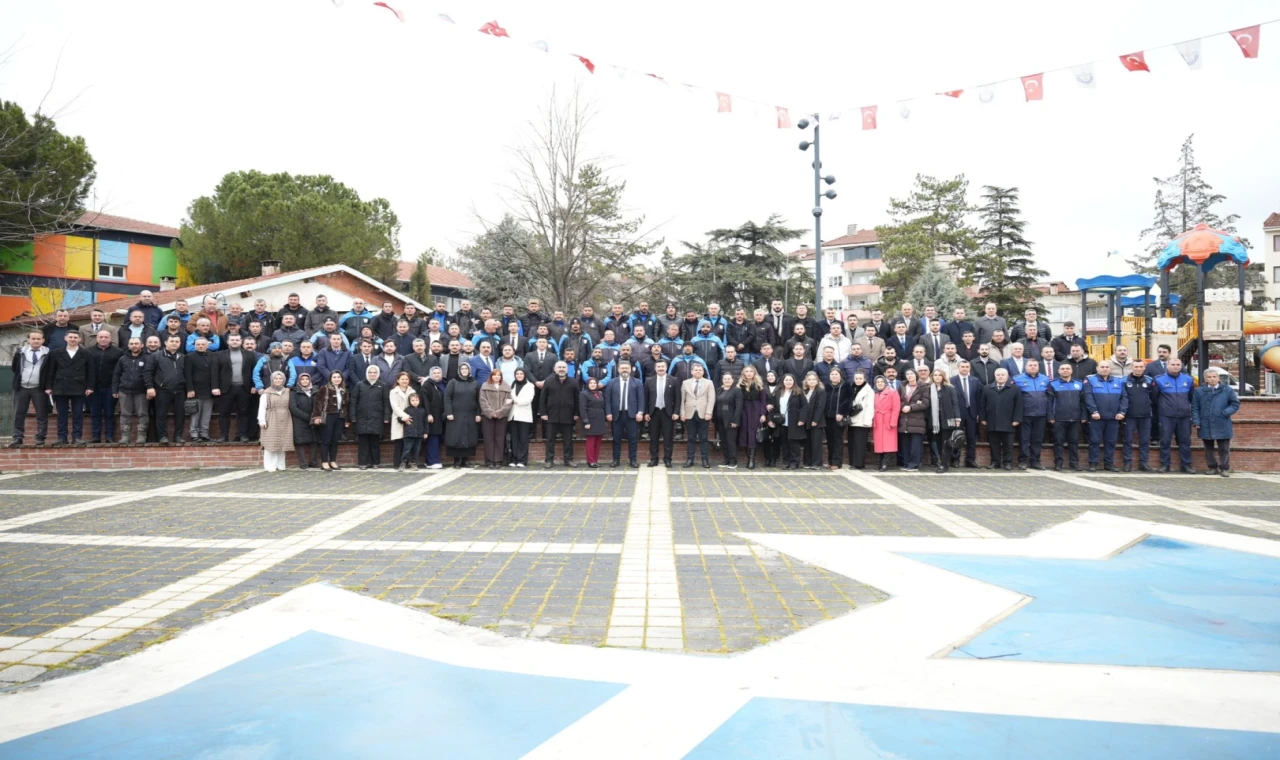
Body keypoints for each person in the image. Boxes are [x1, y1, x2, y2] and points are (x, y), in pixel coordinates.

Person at [1192, 367, 1240, 477]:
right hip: (1205, 422)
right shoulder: (1199, 391)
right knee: (1208, 447)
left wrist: (1226, 412)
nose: (1212, 379)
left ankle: (1224, 468)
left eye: (1214, 377)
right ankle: (1212, 467)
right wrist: (1196, 421)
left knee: (1224, 448)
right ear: (1205, 379)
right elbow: (1195, 407)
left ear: (1218, 378)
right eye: (1209, 377)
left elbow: (1235, 404)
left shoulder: (1227, 390)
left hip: (1222, 422)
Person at [1153, 357, 1196, 474]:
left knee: (1185, 441)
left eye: (1178, 364)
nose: (1175, 366)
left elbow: (1192, 397)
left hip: (1184, 416)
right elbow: (1154, 398)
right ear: (1168, 365)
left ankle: (1186, 465)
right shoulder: (1159, 380)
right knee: (1165, 441)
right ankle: (1165, 465)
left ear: (1181, 366)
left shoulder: (1189, 379)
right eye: (1173, 364)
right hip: (1166, 415)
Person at [212, 334, 257, 443]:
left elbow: (254, 372)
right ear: (228, 341)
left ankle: (243, 435)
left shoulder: (250, 355)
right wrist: (215, 387)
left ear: (241, 341)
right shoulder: (219, 355)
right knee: (224, 413)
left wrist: (254, 385)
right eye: (232, 340)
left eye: (237, 340)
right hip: (226, 388)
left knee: (243, 412)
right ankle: (224, 436)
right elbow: (214, 372)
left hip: (244, 388)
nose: (235, 342)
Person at [1083, 361, 1125, 472]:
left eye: (1107, 367)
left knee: (1111, 442)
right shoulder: (1090, 380)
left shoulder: (1118, 381)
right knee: (1094, 441)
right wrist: (1094, 411)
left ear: (1110, 369)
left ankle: (1109, 464)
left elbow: (1124, 398)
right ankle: (1093, 464)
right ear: (1097, 368)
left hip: (1113, 418)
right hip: (1097, 417)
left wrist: (1122, 412)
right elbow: (1088, 397)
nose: (1105, 369)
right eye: (1102, 367)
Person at [83, 330, 122, 444]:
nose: (103, 339)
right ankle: (96, 436)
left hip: (110, 387)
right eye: (101, 337)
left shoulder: (118, 352)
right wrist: (87, 386)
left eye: (106, 337)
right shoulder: (89, 351)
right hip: (93, 388)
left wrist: (116, 387)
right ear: (97, 338)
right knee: (95, 413)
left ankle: (109, 436)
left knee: (109, 413)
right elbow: (86, 370)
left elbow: (120, 371)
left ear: (110, 338)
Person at [146, 334, 185, 443]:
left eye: (177, 341)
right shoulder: (156, 356)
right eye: (172, 341)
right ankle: (162, 437)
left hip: (180, 390)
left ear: (180, 344)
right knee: (161, 414)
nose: (174, 343)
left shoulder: (182, 357)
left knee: (180, 414)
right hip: (162, 390)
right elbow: (148, 372)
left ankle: (178, 436)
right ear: (166, 343)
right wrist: (150, 387)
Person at [1047, 363, 1086, 471]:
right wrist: (1050, 416)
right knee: (1058, 442)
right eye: (1062, 369)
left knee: (1074, 442)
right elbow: (1049, 402)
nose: (1065, 370)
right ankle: (1058, 463)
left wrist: (1083, 416)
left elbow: (1083, 402)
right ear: (1058, 371)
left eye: (1067, 368)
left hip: (1076, 418)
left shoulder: (1079, 384)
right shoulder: (1053, 384)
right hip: (1058, 419)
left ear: (1071, 370)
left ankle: (1074, 463)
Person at [982, 368, 1023, 470]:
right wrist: (983, 418)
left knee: (1008, 444)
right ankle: (995, 462)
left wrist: (1016, 419)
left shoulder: (1015, 389)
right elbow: (982, 405)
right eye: (998, 375)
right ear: (995, 376)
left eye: (1003, 375)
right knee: (994, 444)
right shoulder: (987, 388)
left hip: (1009, 422)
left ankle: (1007, 462)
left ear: (1007, 376)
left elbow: (1019, 405)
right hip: (993, 421)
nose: (1000, 376)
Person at [1011, 358, 1049, 469]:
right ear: (1026, 367)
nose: (1033, 367)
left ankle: (1035, 461)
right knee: (1024, 439)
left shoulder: (1046, 379)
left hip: (1041, 414)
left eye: (1035, 365)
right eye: (1030, 365)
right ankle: (1023, 461)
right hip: (1025, 415)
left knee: (1037, 439)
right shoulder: (1017, 379)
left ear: (1038, 367)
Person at [540, 361, 579, 467]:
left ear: (567, 369)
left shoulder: (573, 382)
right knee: (550, 439)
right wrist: (543, 413)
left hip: (568, 415)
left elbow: (577, 399)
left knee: (568, 440)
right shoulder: (548, 381)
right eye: (559, 367)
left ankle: (568, 460)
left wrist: (576, 413)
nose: (561, 369)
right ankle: (549, 460)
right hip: (551, 415)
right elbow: (543, 398)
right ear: (554, 369)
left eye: (563, 367)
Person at [606, 360, 645, 468]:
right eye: (622, 368)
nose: (624, 370)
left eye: (626, 368)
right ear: (618, 370)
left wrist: (640, 412)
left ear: (630, 370)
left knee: (633, 439)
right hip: (616, 415)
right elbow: (608, 400)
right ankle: (616, 459)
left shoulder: (637, 382)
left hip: (632, 415)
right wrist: (608, 413)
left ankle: (633, 460)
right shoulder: (612, 382)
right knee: (616, 439)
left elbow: (641, 399)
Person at [443, 361, 480, 468]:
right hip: (455, 414)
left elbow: (479, 400)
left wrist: (478, 414)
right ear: (459, 370)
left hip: (471, 415)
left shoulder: (475, 383)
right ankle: (456, 461)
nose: (464, 371)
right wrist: (449, 412)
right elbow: (447, 398)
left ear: (469, 370)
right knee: (456, 437)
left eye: (466, 369)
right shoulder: (453, 382)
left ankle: (465, 460)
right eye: (462, 369)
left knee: (468, 436)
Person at [351, 365, 390, 469]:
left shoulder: (383, 385)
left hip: (377, 417)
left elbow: (386, 402)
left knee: (375, 442)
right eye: (370, 372)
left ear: (378, 374)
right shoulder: (359, 385)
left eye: (374, 372)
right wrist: (353, 417)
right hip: (362, 417)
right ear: (367, 373)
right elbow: (353, 401)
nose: (372, 374)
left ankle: (375, 462)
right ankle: (363, 463)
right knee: (363, 442)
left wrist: (386, 417)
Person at [112, 337, 149, 445]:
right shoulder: (123, 359)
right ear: (128, 345)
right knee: (125, 414)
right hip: (124, 390)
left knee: (142, 414)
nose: (134, 345)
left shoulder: (147, 358)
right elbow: (116, 375)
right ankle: (125, 437)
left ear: (142, 345)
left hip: (141, 391)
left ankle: (141, 436)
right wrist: (115, 389)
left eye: (136, 343)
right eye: (131, 343)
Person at [1121, 361, 1156, 472]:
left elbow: (1154, 397)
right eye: (1136, 367)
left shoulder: (1150, 381)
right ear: (1132, 367)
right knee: (1128, 440)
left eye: (1141, 367)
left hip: (1145, 416)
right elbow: (1121, 397)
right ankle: (1127, 463)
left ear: (1144, 368)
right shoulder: (1124, 381)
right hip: (1129, 416)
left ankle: (1143, 463)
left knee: (1145, 440)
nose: (1138, 369)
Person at [645, 359, 680, 467]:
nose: (660, 369)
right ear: (655, 368)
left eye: (662, 367)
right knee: (653, 437)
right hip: (653, 412)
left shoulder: (674, 380)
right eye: (658, 367)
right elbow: (645, 398)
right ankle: (654, 459)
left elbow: (678, 398)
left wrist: (676, 412)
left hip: (668, 413)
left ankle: (668, 459)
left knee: (668, 437)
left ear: (666, 368)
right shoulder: (649, 380)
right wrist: (646, 412)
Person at [256, 371, 293, 471]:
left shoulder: (287, 391)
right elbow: (262, 408)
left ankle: (280, 465)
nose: (278, 380)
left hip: (285, 418)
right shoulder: (267, 393)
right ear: (272, 380)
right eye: (276, 378)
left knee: (282, 443)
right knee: (271, 443)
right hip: (271, 417)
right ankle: (270, 466)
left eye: (280, 378)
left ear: (284, 380)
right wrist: (262, 420)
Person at [925, 369, 960, 473]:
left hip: (947, 419)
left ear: (943, 376)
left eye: (939, 375)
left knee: (946, 442)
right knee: (938, 442)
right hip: (934, 420)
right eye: (935, 375)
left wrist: (957, 418)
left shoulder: (950, 388)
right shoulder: (929, 388)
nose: (937, 377)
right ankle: (943, 463)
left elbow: (955, 404)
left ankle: (944, 464)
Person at [681, 361, 715, 468]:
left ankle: (705, 460)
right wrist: (682, 413)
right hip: (689, 414)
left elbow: (711, 399)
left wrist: (709, 412)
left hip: (704, 414)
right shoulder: (685, 383)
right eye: (696, 370)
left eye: (700, 370)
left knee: (704, 438)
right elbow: (682, 400)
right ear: (692, 372)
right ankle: (690, 460)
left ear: (703, 372)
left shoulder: (709, 383)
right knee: (691, 438)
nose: (698, 371)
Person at [314, 371, 349, 470]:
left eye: (339, 377)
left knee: (335, 440)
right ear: (330, 379)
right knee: (326, 440)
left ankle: (333, 461)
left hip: (340, 417)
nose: (337, 379)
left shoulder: (344, 390)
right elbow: (318, 403)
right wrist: (317, 417)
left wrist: (346, 419)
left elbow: (346, 406)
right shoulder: (324, 389)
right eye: (334, 377)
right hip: (328, 416)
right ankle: (324, 462)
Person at [184, 336, 216, 442]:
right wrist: (190, 389)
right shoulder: (189, 357)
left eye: (203, 344)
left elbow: (215, 373)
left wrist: (215, 387)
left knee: (206, 414)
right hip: (196, 390)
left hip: (209, 389)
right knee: (195, 413)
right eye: (198, 344)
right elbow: (187, 374)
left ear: (207, 345)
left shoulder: (213, 356)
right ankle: (194, 434)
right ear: (194, 346)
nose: (201, 346)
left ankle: (204, 434)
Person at [479, 368, 513, 469]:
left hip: (501, 417)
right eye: (494, 375)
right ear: (491, 376)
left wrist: (500, 413)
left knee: (500, 438)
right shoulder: (484, 386)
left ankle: (498, 460)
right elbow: (482, 401)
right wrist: (490, 412)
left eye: (499, 375)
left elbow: (509, 402)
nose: (496, 377)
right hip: (487, 416)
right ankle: (489, 461)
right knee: (488, 439)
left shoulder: (507, 387)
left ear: (501, 377)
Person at [952, 361, 982, 468]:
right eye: (962, 367)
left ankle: (970, 459)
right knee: (956, 437)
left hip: (972, 413)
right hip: (958, 414)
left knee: (971, 437)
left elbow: (979, 398)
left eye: (967, 367)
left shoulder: (975, 381)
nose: (965, 369)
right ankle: (955, 459)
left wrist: (978, 413)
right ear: (958, 367)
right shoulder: (952, 380)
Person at [898, 369, 929, 472]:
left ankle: (914, 464)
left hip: (917, 420)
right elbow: (898, 400)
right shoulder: (902, 386)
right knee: (905, 444)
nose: (909, 375)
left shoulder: (923, 387)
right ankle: (907, 463)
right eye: (907, 374)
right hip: (904, 419)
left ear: (916, 375)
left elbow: (925, 403)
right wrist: (903, 406)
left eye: (911, 373)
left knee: (916, 445)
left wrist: (911, 407)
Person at [774, 373, 805, 470]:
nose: (788, 382)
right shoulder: (778, 392)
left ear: (794, 381)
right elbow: (773, 405)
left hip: (794, 421)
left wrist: (801, 419)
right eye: (786, 380)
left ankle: (794, 463)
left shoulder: (798, 392)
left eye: (790, 380)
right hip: (782, 422)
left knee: (794, 443)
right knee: (784, 443)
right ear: (783, 381)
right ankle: (786, 462)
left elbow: (804, 406)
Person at [289, 372, 320, 469]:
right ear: (299, 381)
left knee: (315, 440)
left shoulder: (315, 390)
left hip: (314, 419)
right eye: (302, 379)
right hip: (299, 420)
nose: (305, 381)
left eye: (307, 379)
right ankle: (302, 463)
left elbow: (319, 404)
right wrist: (308, 417)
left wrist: (315, 416)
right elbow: (293, 408)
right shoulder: (294, 392)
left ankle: (313, 462)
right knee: (300, 441)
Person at [389, 371, 419, 469]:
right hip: (399, 417)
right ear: (398, 380)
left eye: (406, 379)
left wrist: (408, 417)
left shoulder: (412, 391)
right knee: (399, 441)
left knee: (409, 442)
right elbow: (395, 406)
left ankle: (408, 462)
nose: (404, 381)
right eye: (402, 379)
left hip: (410, 419)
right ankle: (398, 463)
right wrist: (404, 416)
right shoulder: (393, 392)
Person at [714, 372, 744, 468]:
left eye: (729, 379)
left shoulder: (737, 390)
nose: (727, 380)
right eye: (725, 379)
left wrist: (735, 421)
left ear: (733, 380)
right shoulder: (719, 390)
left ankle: (733, 461)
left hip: (731, 420)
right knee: (724, 440)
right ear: (722, 380)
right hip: (719, 420)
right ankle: (726, 460)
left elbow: (739, 406)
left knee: (731, 441)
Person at [870, 375, 900, 471]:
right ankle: (880, 462)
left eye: (882, 381)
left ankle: (885, 463)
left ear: (885, 382)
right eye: (877, 382)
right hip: (878, 420)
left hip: (888, 419)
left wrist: (893, 421)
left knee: (888, 443)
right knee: (879, 443)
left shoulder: (892, 392)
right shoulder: (874, 394)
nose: (879, 383)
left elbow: (896, 408)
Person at [508, 368, 535, 467]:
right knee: (514, 438)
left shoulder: (530, 386)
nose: (519, 375)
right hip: (513, 416)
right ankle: (513, 459)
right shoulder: (512, 385)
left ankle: (522, 460)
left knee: (523, 439)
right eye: (517, 374)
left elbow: (528, 400)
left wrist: (514, 401)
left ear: (524, 375)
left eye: (521, 373)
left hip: (524, 416)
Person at [580, 376, 607, 468]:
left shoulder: (600, 393)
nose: (593, 385)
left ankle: (595, 460)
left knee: (598, 442)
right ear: (587, 384)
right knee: (591, 442)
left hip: (600, 419)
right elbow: (582, 409)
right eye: (591, 383)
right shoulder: (584, 394)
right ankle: (590, 461)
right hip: (590, 420)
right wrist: (586, 422)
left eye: (594, 383)